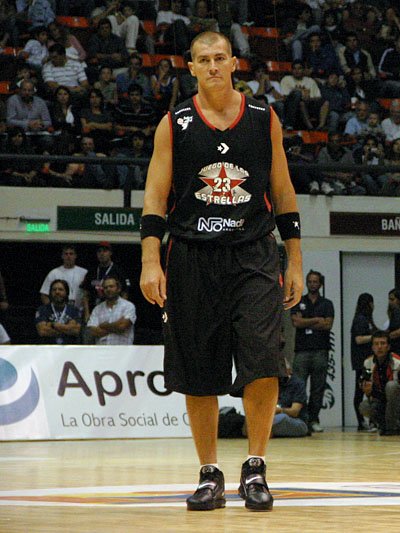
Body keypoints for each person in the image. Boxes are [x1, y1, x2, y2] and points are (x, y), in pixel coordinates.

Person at [139, 31, 304, 512]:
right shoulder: (174, 123)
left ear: (234, 63)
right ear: (190, 67)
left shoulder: (262, 118)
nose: (212, 66)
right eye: (202, 60)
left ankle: (255, 467)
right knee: (198, 372)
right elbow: (155, 196)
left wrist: (295, 260)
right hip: (191, 256)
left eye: (219, 58)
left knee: (263, 362)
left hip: (254, 254)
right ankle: (210, 474)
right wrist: (150, 260)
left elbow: (283, 190)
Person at [291, 270, 334, 434]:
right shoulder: (299, 301)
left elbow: (328, 324)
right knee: (299, 385)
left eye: (315, 281)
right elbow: (296, 322)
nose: (312, 284)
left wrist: (305, 321)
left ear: (320, 284)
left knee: (318, 387)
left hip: (320, 350)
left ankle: (314, 419)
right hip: (302, 351)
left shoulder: (327, 304)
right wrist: (316, 320)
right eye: (310, 281)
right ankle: (302, 419)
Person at [359, 331, 400, 436]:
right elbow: (366, 385)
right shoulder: (368, 363)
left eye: (383, 343)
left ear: (388, 347)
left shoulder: (398, 363)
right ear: (372, 347)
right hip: (381, 401)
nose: (379, 347)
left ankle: (392, 427)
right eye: (376, 344)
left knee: (391, 386)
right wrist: (368, 390)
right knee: (364, 406)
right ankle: (383, 425)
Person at [350, 293, 377, 431]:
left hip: (365, 360)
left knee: (365, 390)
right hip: (362, 361)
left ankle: (368, 421)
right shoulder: (361, 320)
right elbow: (359, 339)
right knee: (362, 390)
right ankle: (362, 421)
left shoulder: (365, 319)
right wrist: (374, 337)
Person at [40, 245, 88, 319]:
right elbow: (44, 295)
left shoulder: (84, 272)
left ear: (75, 256)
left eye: (71, 254)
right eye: (66, 254)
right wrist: (52, 310)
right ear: (62, 256)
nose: (68, 256)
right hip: (59, 312)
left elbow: (87, 294)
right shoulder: (54, 273)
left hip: (79, 311)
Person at [81, 241, 130, 313]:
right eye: (99, 251)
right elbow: (85, 295)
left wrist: (121, 311)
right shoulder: (92, 272)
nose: (102, 254)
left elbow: (124, 293)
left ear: (110, 253)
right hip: (95, 310)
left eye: (105, 251)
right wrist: (87, 314)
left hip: (113, 310)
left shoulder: (118, 271)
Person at [86, 275, 136, 345]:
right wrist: (116, 326)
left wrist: (104, 325)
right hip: (102, 350)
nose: (108, 289)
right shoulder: (97, 309)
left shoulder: (128, 306)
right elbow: (92, 331)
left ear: (118, 289)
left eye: (111, 286)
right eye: (105, 287)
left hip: (122, 349)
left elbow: (122, 326)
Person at [35, 279, 82, 345]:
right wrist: (67, 328)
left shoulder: (74, 310)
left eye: (60, 289)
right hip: (48, 348)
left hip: (70, 348)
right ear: (50, 293)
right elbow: (42, 331)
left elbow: (76, 330)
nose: (57, 292)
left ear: (66, 292)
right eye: (54, 290)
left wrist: (52, 325)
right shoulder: (43, 309)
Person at [271, 359, 309, 438]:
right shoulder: (273, 384)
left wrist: (280, 410)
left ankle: (263, 431)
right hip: (273, 418)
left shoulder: (298, 384)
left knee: (282, 418)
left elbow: (295, 411)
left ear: (289, 370)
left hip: (295, 420)